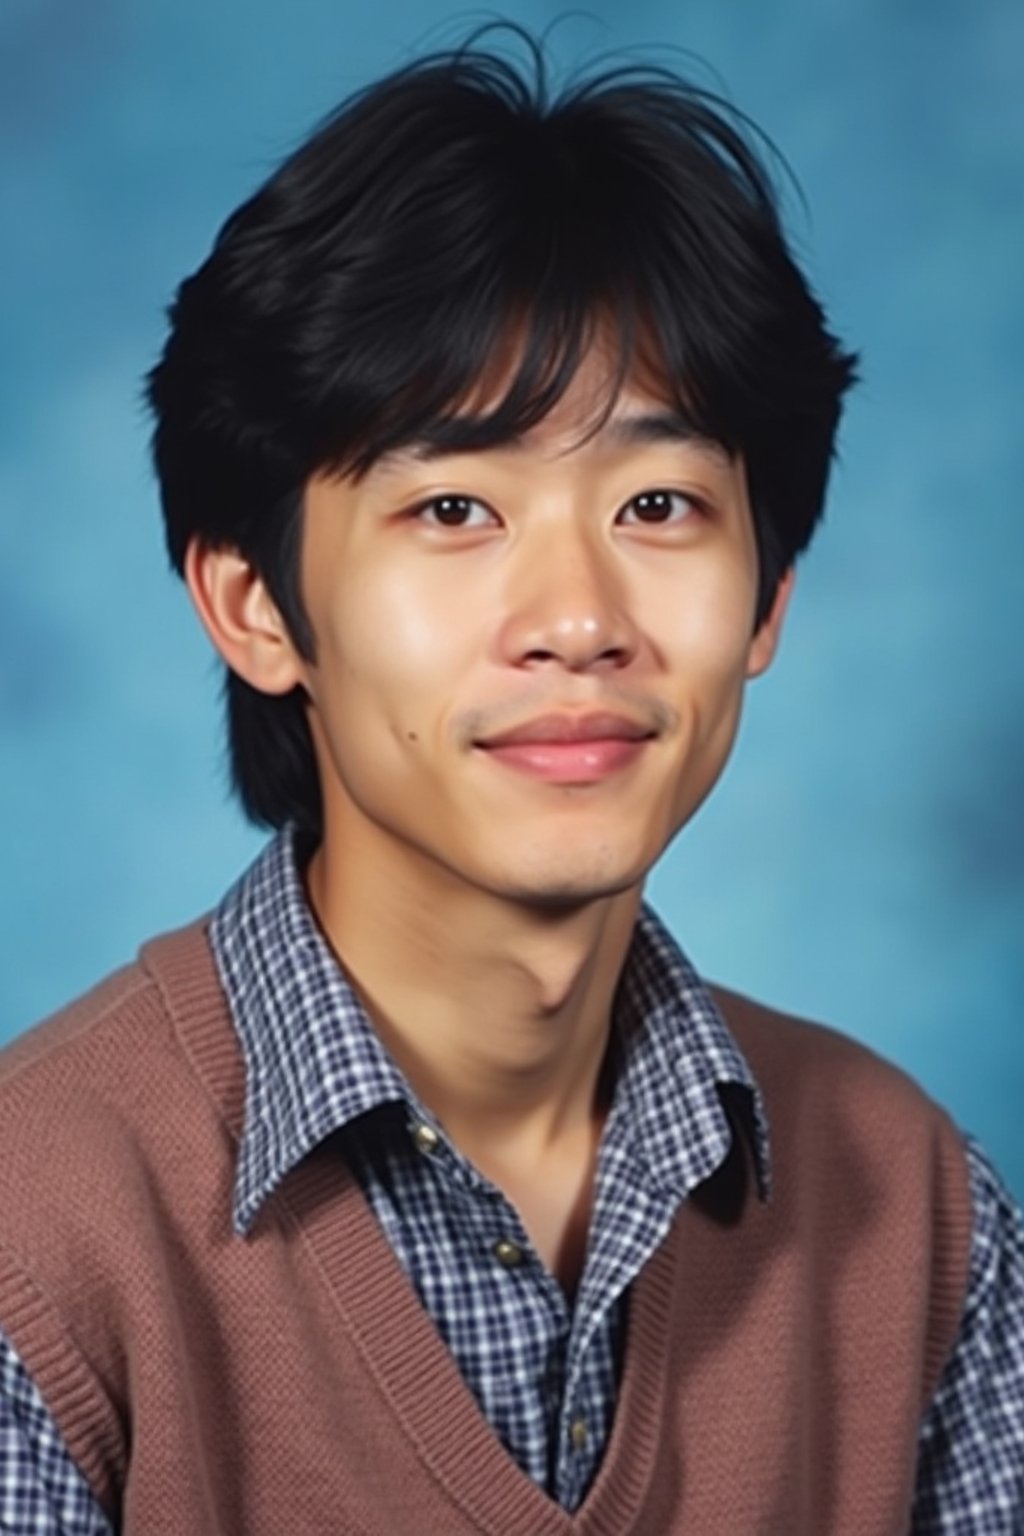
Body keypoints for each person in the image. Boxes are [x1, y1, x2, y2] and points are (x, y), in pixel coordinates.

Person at [1, 32, 1021, 1536]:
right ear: (254, 607)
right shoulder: (42, 1243)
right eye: (457, 505)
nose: (579, 616)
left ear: (768, 603)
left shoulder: (921, 1213)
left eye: (660, 502)